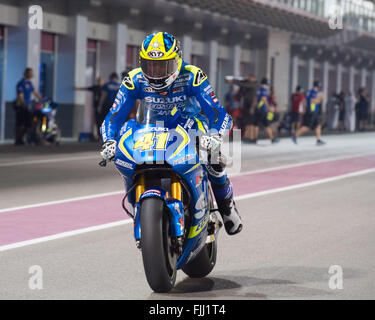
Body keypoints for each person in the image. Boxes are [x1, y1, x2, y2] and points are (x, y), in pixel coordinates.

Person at [100, 32, 242, 235]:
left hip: (191, 126)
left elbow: (218, 112)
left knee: (214, 161)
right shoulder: (134, 79)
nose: (156, 71)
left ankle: (227, 208)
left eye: (163, 65)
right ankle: (138, 206)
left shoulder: (192, 74)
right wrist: (108, 141)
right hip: (150, 128)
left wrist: (216, 136)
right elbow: (113, 116)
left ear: (176, 61)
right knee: (125, 148)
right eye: (151, 65)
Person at [14, 68, 42, 145]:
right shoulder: (21, 83)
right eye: (30, 73)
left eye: (31, 73)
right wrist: (23, 104)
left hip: (28, 106)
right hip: (21, 106)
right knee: (20, 124)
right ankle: (18, 140)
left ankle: (20, 138)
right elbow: (20, 95)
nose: (31, 75)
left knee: (28, 124)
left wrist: (42, 98)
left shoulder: (29, 83)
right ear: (26, 73)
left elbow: (35, 92)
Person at [292, 80, 326, 146]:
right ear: (318, 85)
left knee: (318, 125)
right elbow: (313, 101)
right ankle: (295, 136)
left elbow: (305, 101)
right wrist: (320, 99)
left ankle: (318, 140)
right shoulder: (313, 92)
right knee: (307, 127)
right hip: (312, 112)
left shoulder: (310, 91)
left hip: (314, 111)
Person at [225, 75, 257, 143]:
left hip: (242, 108)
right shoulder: (240, 92)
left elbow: (243, 84)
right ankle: (243, 136)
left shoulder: (252, 85)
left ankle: (248, 137)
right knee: (238, 122)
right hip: (239, 108)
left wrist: (232, 81)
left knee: (246, 123)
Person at [252, 78, 279, 144]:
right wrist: (269, 108)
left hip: (257, 109)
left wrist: (253, 107)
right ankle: (272, 139)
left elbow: (255, 99)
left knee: (256, 124)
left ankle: (255, 139)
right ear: (266, 83)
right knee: (266, 124)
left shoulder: (258, 90)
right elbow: (264, 100)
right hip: (262, 109)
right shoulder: (264, 90)